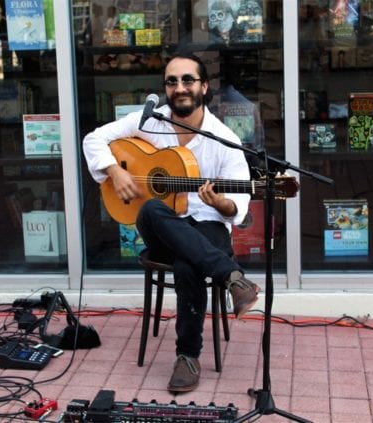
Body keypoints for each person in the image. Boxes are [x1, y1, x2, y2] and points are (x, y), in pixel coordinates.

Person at [82, 53, 260, 393]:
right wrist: (116, 170)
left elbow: (236, 204)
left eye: (188, 80)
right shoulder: (149, 121)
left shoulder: (224, 138)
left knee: (188, 264)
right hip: (162, 224)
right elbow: (94, 139)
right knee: (149, 210)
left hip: (208, 224)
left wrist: (220, 201)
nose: (179, 88)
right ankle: (231, 277)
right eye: (172, 81)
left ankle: (187, 358)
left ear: (204, 87)